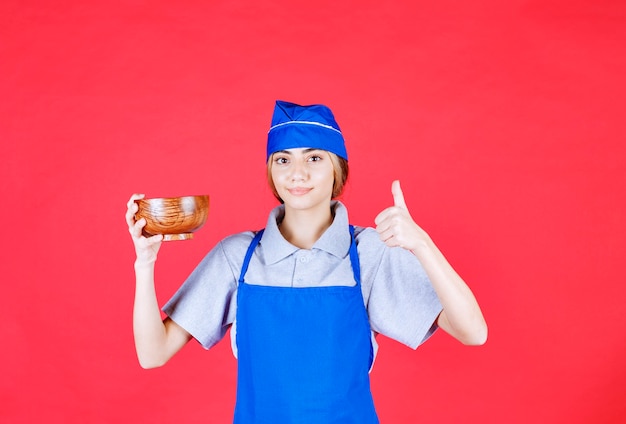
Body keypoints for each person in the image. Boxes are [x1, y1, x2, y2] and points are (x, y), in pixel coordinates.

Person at [126, 100, 487, 423]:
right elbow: (152, 354)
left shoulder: (368, 253)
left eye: (314, 158)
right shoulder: (238, 257)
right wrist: (145, 265)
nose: (297, 173)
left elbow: (473, 332)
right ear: (271, 171)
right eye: (283, 159)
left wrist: (422, 245)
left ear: (337, 170)